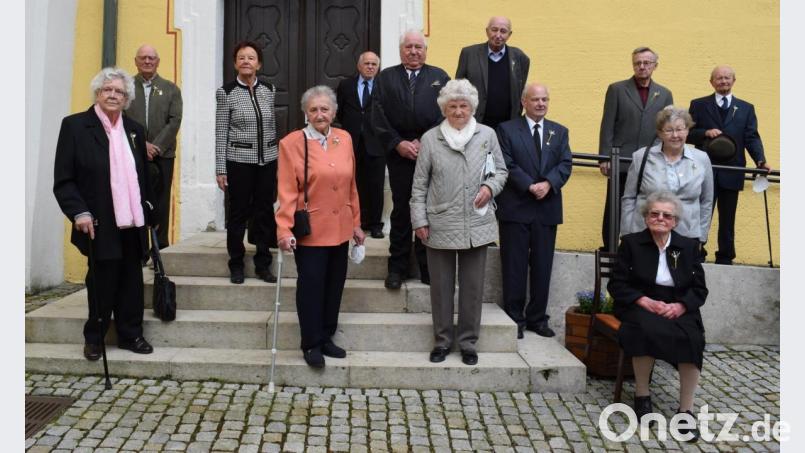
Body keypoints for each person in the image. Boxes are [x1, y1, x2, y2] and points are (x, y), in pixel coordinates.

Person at [53, 67, 157, 360]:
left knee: (132, 280)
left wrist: (150, 210)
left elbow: (143, 178)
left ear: (127, 99)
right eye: (107, 90)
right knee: (102, 280)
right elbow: (64, 179)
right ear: (98, 94)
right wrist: (79, 212)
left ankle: (131, 334)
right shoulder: (75, 126)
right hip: (97, 219)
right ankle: (95, 337)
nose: (113, 95)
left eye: (119, 92)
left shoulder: (135, 130)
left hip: (133, 219)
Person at [410, 79, 508, 366]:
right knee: (440, 288)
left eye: (463, 105)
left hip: (476, 223)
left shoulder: (487, 135)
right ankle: (441, 342)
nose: (458, 111)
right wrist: (419, 219)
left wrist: (490, 188)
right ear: (444, 108)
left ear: (472, 107)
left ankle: (467, 342)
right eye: (452, 106)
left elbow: (500, 171)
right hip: (440, 221)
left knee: (472, 287)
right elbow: (419, 185)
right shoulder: (431, 138)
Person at [276, 86, 366, 369]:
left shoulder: (345, 138)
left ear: (334, 112)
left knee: (334, 285)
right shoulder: (292, 143)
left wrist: (357, 224)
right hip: (312, 228)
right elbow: (287, 191)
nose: (319, 114)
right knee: (311, 287)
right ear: (306, 113)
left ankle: (327, 335)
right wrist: (283, 230)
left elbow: (351, 185)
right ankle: (311, 342)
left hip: (340, 226)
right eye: (313, 109)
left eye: (324, 109)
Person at [608, 191, 708, 441]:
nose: (660, 218)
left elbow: (699, 289)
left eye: (667, 215)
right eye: (655, 213)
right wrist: (644, 301)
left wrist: (681, 307)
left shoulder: (688, 246)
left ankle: (686, 410)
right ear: (646, 217)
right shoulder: (631, 243)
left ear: (674, 221)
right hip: (640, 302)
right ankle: (642, 396)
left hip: (678, 303)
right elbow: (617, 284)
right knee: (643, 330)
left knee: (692, 338)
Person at [372, 30, 451, 290]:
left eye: (418, 47)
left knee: (429, 210)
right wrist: (398, 144)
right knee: (402, 211)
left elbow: (448, 114)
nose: (414, 51)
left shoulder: (440, 78)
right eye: (409, 47)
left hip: (431, 155)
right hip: (400, 156)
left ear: (425, 51)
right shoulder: (385, 79)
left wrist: (425, 142)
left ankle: (428, 268)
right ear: (401, 50)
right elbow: (377, 115)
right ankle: (397, 268)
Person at [496, 83, 573, 339]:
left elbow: (565, 163)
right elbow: (505, 162)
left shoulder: (559, 132)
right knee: (514, 266)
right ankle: (514, 318)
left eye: (545, 99)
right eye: (536, 99)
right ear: (524, 101)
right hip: (516, 207)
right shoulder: (506, 130)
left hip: (546, 207)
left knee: (542, 266)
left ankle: (537, 319)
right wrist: (529, 185)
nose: (541, 104)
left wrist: (549, 183)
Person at [687, 66, 771, 264]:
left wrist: (761, 160)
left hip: (732, 171)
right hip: (703, 169)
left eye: (726, 78)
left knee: (728, 217)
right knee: (700, 213)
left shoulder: (746, 108)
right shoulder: (698, 105)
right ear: (711, 82)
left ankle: (725, 256)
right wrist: (705, 132)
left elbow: (751, 137)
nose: (723, 81)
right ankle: (696, 252)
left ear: (733, 80)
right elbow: (687, 133)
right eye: (718, 78)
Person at [215, 41, 279, 284]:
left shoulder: (269, 89)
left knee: (264, 212)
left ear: (259, 64)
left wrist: (277, 156)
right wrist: (221, 168)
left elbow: (272, 125)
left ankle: (263, 263)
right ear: (235, 63)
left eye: (251, 58)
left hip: (267, 162)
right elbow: (221, 131)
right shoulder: (226, 92)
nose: (246, 61)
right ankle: (236, 264)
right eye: (241, 57)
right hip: (239, 161)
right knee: (238, 213)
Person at [599, 47, 673, 250]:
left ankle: (639, 247)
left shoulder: (665, 94)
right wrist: (605, 157)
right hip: (620, 158)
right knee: (615, 204)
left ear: (655, 65)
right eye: (638, 63)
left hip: (651, 161)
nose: (642, 66)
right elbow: (608, 124)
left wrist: (663, 156)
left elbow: (666, 128)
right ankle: (610, 246)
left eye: (647, 63)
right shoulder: (617, 89)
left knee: (647, 205)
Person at [621, 106, 714, 250]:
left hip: (687, 235)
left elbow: (707, 201)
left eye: (680, 129)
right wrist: (627, 234)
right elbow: (629, 197)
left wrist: (701, 236)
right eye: (669, 130)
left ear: (688, 130)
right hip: (644, 233)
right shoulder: (641, 157)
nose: (675, 135)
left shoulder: (702, 159)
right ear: (660, 133)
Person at [125, 44, 183, 250]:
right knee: (135, 198)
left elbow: (175, 121)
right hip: (133, 153)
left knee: (161, 200)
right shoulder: (126, 87)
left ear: (158, 62)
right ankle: (139, 249)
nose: (147, 61)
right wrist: (142, 145)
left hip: (163, 154)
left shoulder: (171, 89)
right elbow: (121, 119)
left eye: (151, 58)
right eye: (143, 58)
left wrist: (156, 146)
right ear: (136, 61)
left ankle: (161, 248)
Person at [336, 51, 385, 239]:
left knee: (375, 185)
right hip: (351, 143)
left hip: (376, 143)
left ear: (378, 67)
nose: (370, 67)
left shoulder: (383, 85)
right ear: (359, 66)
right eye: (367, 63)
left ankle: (375, 224)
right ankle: (354, 221)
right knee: (352, 183)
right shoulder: (345, 85)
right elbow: (340, 112)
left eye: (374, 64)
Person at [455, 16, 530, 130]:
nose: (498, 35)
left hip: (508, 127)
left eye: (503, 31)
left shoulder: (520, 58)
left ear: (509, 34)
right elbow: (458, 89)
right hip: (475, 124)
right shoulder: (469, 54)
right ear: (487, 31)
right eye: (494, 30)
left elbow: (519, 93)